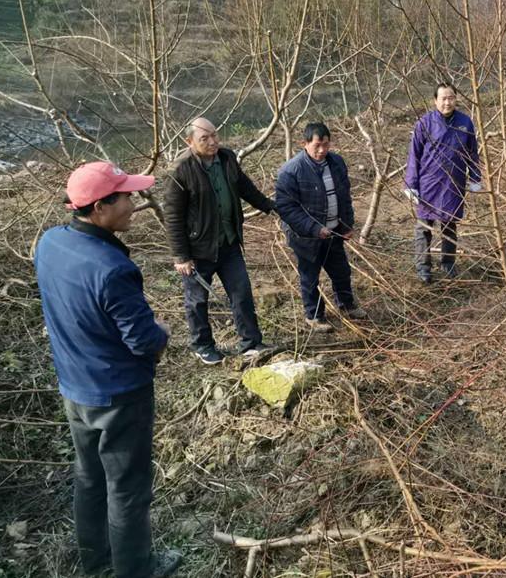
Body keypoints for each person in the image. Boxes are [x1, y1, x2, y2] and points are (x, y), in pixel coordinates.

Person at [35, 161, 181, 578]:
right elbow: (144, 341)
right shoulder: (113, 268)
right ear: (99, 207)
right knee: (128, 488)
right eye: (126, 197)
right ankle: (135, 570)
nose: (134, 203)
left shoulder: (50, 243)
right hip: (119, 394)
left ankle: (95, 560)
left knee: (88, 477)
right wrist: (162, 331)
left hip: (75, 387)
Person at [163, 117, 276, 365]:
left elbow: (245, 188)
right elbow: (172, 216)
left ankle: (251, 342)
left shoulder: (226, 158)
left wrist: (269, 206)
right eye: (205, 138)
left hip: (229, 242)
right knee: (197, 300)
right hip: (198, 248)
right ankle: (202, 345)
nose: (213, 141)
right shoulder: (181, 170)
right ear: (189, 141)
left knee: (241, 292)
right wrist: (181, 256)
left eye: (215, 135)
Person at [274, 121, 367, 332]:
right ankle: (314, 316)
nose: (322, 150)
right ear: (305, 143)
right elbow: (287, 210)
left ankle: (346, 305)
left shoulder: (336, 163)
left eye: (326, 144)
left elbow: (344, 197)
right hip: (305, 236)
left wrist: (347, 224)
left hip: (334, 230)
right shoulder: (291, 171)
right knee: (310, 276)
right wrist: (315, 229)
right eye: (317, 145)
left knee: (341, 270)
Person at [403, 82, 482, 283]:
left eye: (451, 98)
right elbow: (414, 156)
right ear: (435, 101)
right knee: (424, 226)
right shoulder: (424, 123)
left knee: (449, 224)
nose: (447, 102)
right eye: (443, 98)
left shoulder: (465, 122)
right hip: (428, 182)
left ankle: (448, 264)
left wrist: (475, 177)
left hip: (453, 182)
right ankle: (423, 267)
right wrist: (411, 183)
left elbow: (472, 152)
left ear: (456, 99)